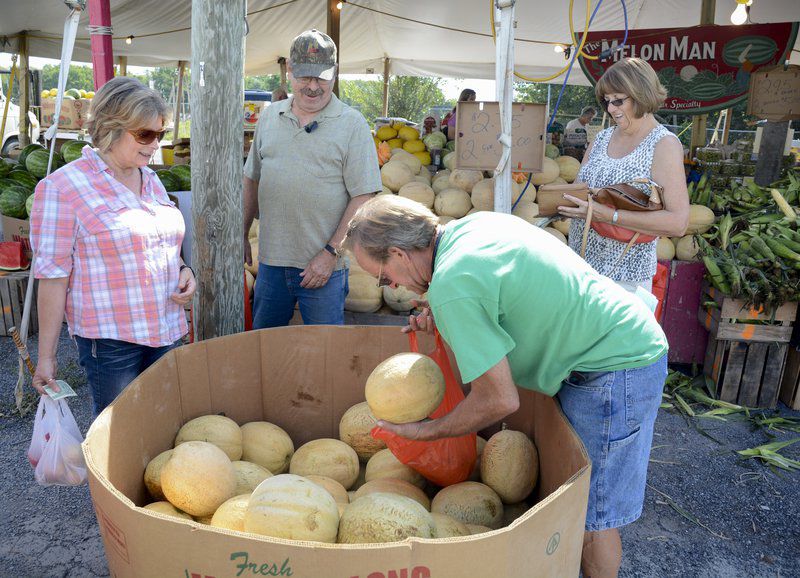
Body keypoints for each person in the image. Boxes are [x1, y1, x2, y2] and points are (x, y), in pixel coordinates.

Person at [344, 195, 669, 578]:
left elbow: (499, 399)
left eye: (384, 276)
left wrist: (427, 431)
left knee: (592, 518)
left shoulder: (453, 284)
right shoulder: (470, 227)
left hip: (615, 366)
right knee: (585, 510)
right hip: (616, 342)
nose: (392, 285)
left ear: (399, 253)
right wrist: (452, 316)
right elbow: (500, 295)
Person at [30, 77, 195, 416]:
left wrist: (183, 269)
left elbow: (162, 242)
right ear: (111, 127)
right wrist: (46, 357)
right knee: (120, 430)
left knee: (166, 423)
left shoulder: (150, 178)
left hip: (166, 329)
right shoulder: (62, 188)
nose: (155, 144)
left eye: (160, 133)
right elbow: (53, 278)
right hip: (112, 342)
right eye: (145, 134)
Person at [243, 29, 381, 328]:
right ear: (289, 70)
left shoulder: (352, 124)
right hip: (271, 264)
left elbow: (364, 196)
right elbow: (251, 178)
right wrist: (241, 233)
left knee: (326, 350)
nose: (313, 86)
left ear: (335, 72)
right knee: (264, 346)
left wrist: (330, 252)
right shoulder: (269, 118)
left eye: (322, 77)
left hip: (325, 268)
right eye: (305, 76)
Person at [560, 58, 689, 293]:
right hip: (579, 270)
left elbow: (678, 223)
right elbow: (580, 189)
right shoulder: (602, 138)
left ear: (641, 94)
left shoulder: (663, 144)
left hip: (624, 281)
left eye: (618, 100)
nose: (610, 109)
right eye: (607, 101)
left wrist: (611, 216)